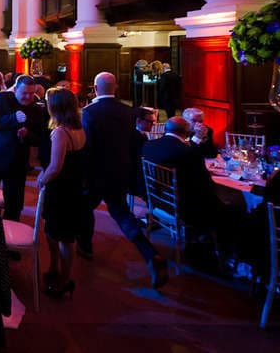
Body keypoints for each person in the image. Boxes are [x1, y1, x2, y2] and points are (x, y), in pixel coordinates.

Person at [78, 72, 168, 289]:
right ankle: (150, 253)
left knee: (84, 208)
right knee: (122, 213)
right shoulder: (127, 111)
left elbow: (87, 147)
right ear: (116, 87)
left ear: (95, 89)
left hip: (96, 173)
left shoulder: (89, 112)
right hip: (120, 171)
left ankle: (85, 247)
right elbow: (134, 141)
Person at [141, 117, 246, 260]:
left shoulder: (149, 145)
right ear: (187, 132)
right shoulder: (189, 151)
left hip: (158, 201)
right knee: (236, 207)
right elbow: (204, 183)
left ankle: (202, 239)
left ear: (166, 129)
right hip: (184, 209)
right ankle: (228, 256)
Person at [37, 87, 86, 298]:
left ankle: (64, 280)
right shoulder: (79, 128)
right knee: (56, 231)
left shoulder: (60, 132)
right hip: (74, 187)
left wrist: (42, 179)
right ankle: (55, 268)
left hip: (61, 189)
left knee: (63, 235)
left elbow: (56, 167)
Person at [0, 75, 47, 221]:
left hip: (17, 163)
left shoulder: (36, 109)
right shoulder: (1, 98)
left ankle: (8, 232)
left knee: (14, 205)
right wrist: (13, 118)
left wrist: (27, 134)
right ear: (16, 89)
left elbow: (39, 138)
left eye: (31, 93)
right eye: (25, 93)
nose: (28, 97)